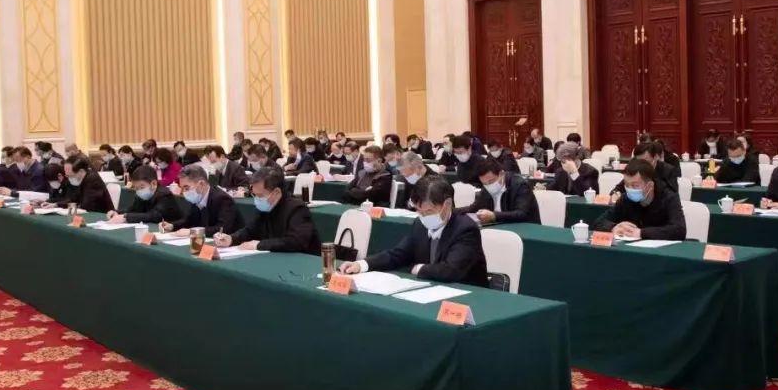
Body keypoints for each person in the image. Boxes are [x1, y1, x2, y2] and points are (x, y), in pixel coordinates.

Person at [339, 177, 488, 286]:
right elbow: (398, 254)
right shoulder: (419, 224)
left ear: (447, 204)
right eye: (419, 211)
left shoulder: (465, 229)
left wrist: (419, 268)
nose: (423, 216)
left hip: (466, 294)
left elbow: (451, 270)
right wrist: (362, 264)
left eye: (429, 211)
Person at [214, 167, 321, 254]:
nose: (257, 199)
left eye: (260, 195)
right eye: (254, 195)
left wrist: (259, 245)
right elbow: (250, 231)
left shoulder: (297, 209)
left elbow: (295, 241)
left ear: (276, 192)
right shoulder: (265, 208)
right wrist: (231, 239)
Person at [592, 160, 686, 240]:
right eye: (627, 185)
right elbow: (598, 222)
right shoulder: (625, 198)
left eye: (635, 185)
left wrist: (641, 233)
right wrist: (613, 227)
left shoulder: (669, 197)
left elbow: (679, 230)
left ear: (650, 185)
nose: (630, 189)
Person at [164, 165, 243, 237]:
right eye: (182, 188)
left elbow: (223, 228)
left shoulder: (222, 199)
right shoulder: (197, 198)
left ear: (201, 184)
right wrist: (172, 225)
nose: (183, 192)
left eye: (186, 188)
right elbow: (188, 221)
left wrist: (193, 232)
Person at [463, 158, 540, 224]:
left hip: (524, 227)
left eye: (491, 181)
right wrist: (455, 212)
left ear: (501, 174)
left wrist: (494, 215)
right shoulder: (486, 187)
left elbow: (521, 214)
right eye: (485, 183)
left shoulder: (520, 185)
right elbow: (474, 207)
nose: (489, 185)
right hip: (498, 226)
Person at [106, 165, 183, 225]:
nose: (139, 191)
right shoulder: (141, 195)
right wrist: (117, 212)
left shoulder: (165, 195)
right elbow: (134, 210)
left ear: (153, 184)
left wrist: (126, 217)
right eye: (136, 188)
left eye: (142, 187)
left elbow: (153, 216)